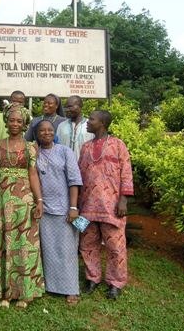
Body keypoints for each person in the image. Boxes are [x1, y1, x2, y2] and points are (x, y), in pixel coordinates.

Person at [0, 105, 44, 309]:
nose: (15, 124)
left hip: (24, 201)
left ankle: (24, 292)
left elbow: (33, 174)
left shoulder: (30, 147)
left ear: (24, 124)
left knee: (23, 244)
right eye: (12, 120)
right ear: (6, 122)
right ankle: (4, 291)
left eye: (19, 121)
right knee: (2, 242)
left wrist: (39, 200)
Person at [78, 110, 134, 300]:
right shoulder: (85, 147)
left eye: (91, 119)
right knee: (87, 243)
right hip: (86, 206)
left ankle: (115, 283)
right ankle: (92, 278)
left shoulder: (118, 145)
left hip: (112, 206)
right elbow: (78, 175)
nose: (88, 122)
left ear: (102, 123)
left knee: (115, 246)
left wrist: (123, 199)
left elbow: (126, 172)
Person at [35, 120, 83, 305]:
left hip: (64, 210)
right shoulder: (34, 153)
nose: (46, 133)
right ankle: (50, 286)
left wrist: (73, 207)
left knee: (67, 251)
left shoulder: (65, 151)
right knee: (48, 250)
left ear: (53, 132)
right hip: (44, 210)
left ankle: (71, 289)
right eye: (42, 130)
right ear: (37, 134)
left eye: (49, 130)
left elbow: (74, 180)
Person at [57, 95, 94, 160]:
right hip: (64, 167)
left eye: (70, 107)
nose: (67, 110)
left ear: (80, 106)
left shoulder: (90, 125)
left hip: (85, 167)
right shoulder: (61, 126)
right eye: (65, 107)